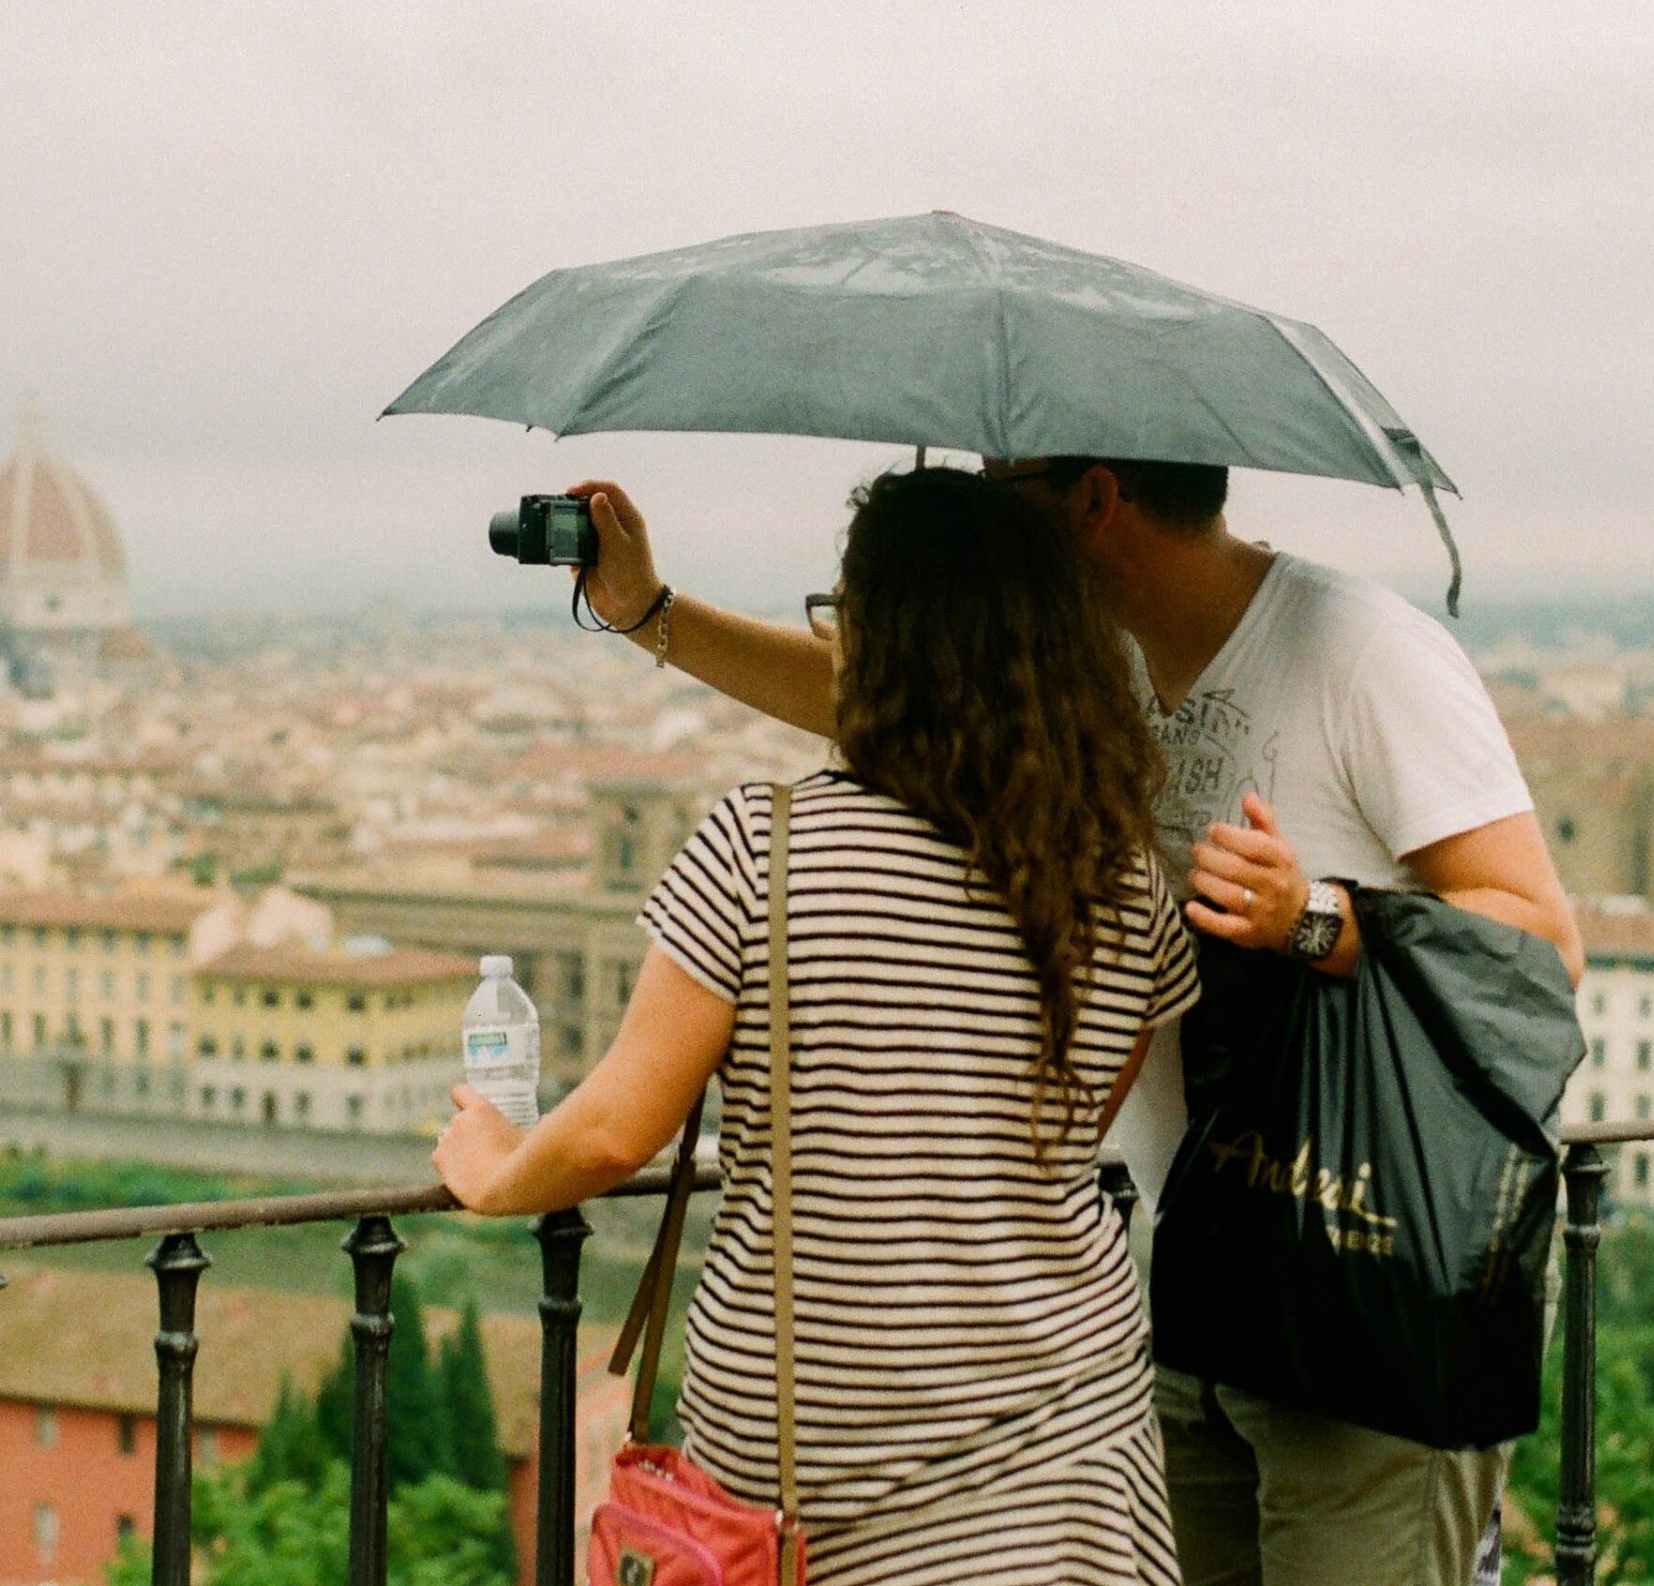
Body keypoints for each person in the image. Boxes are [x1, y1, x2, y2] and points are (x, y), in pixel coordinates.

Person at [552, 458, 1584, 1586]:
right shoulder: (1088, 665)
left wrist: (1312, 917)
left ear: (1092, 500)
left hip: (1360, 1284)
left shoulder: (1362, 652)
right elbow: (892, 689)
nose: (981, 490)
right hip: (1176, 1286)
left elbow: (1541, 941)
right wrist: (646, 613)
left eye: (1006, 477)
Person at [433, 467, 1199, 1584]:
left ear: (876, 645)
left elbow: (613, 1133)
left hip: (825, 1498)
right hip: (1072, 1463)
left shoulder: (766, 847)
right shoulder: (1122, 879)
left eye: (839, 614)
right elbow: (1081, 1124)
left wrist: (496, 1172)